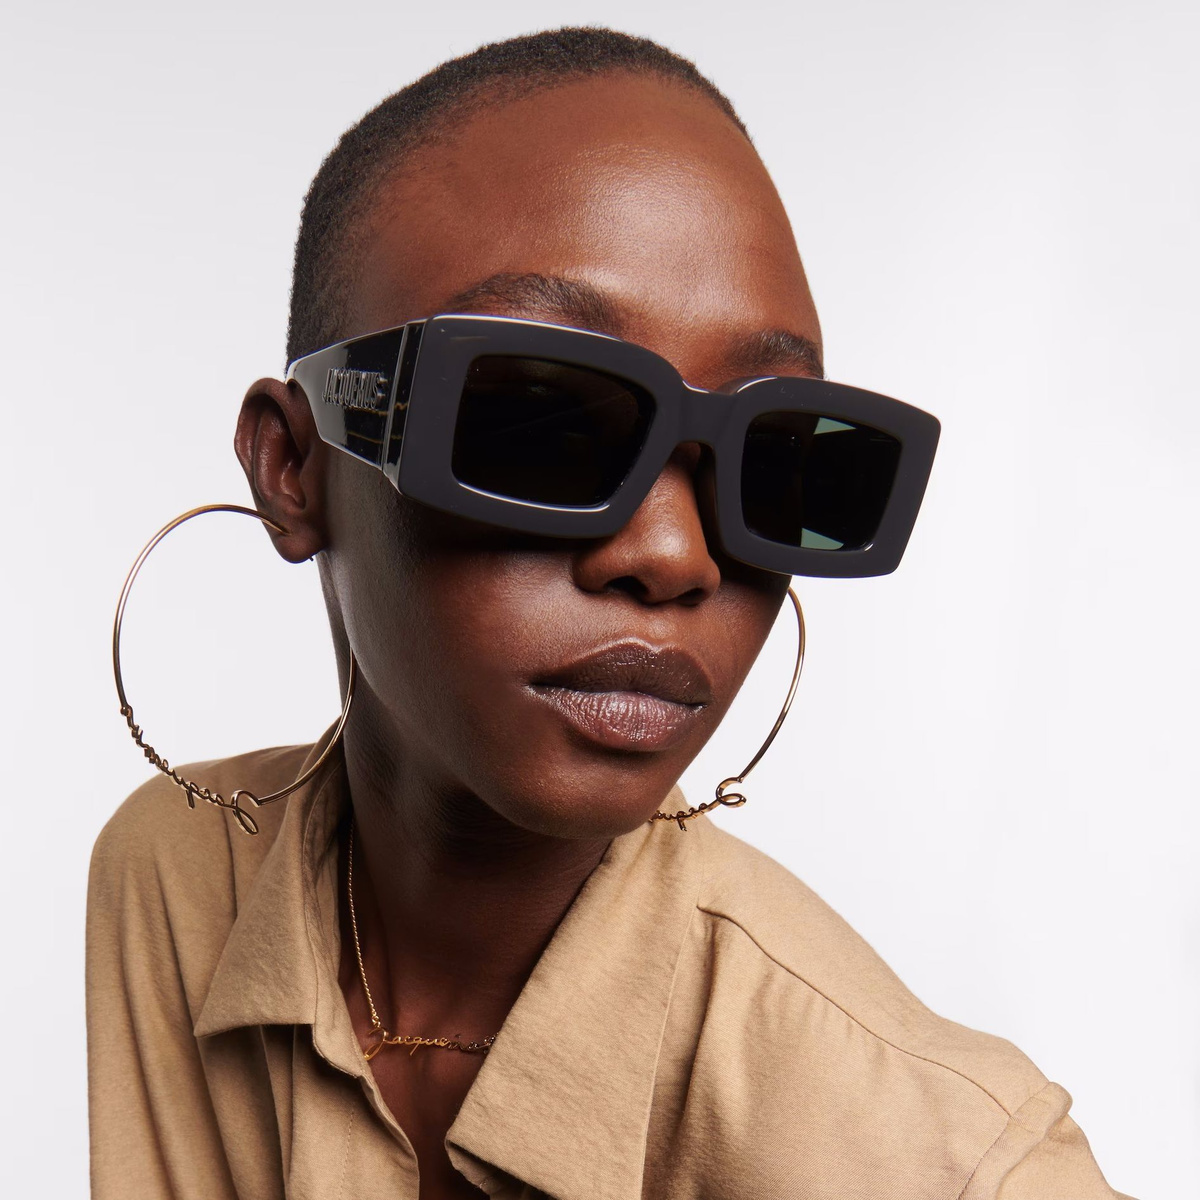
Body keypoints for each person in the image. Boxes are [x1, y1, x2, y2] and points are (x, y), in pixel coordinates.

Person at [86, 26, 1131, 1200]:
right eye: (540, 421)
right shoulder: (173, 883)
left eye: (778, 458)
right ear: (295, 466)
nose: (677, 554)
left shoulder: (943, 1158)